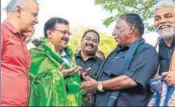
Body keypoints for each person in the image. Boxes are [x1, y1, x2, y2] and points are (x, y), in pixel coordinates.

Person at [80, 13, 159, 106]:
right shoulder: (116, 52)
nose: (113, 33)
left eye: (118, 28)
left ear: (131, 29)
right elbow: (104, 79)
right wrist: (88, 79)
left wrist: (99, 85)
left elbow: (131, 80)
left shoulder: (146, 51)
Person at [28, 17, 84, 106]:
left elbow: (73, 88)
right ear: (50, 33)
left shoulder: (70, 57)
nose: (67, 36)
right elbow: (35, 83)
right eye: (64, 32)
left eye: (68, 33)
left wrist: (79, 77)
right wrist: (58, 75)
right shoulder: (36, 54)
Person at [1, 0, 39, 106]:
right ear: (18, 10)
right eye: (34, 15)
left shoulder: (20, 40)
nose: (37, 20)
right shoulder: (3, 31)